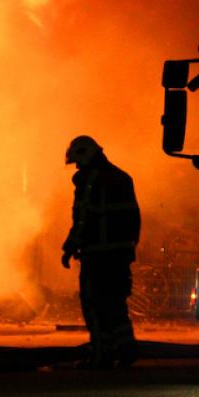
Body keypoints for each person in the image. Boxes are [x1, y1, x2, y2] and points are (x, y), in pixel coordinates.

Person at [62, 134, 141, 369]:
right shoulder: (122, 178)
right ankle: (126, 350)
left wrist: (69, 247)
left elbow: (83, 219)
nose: (76, 166)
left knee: (94, 305)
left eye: (77, 161)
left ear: (86, 156)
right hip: (119, 257)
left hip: (97, 256)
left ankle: (101, 356)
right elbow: (132, 220)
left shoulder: (91, 181)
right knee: (115, 305)